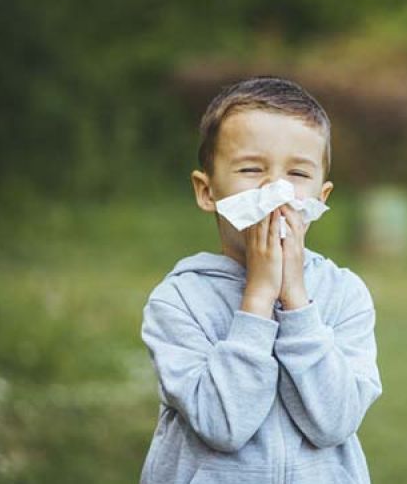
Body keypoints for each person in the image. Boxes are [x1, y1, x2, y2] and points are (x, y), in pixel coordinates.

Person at [139, 76, 383, 484]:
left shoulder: (345, 296)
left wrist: (296, 303)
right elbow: (222, 424)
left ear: (321, 199)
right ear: (207, 191)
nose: (276, 189)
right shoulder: (178, 300)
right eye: (251, 169)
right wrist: (258, 298)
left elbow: (335, 422)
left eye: (297, 173)